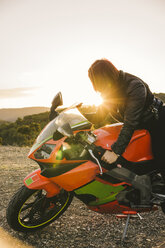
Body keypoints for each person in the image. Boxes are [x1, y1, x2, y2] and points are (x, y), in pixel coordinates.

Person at [88, 58, 164, 208]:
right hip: (140, 127)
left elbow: (130, 123)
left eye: (99, 83)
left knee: (162, 161)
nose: (99, 88)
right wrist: (73, 117)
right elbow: (99, 117)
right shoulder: (109, 91)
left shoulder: (134, 87)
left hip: (158, 123)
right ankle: (138, 191)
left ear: (107, 77)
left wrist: (115, 151)